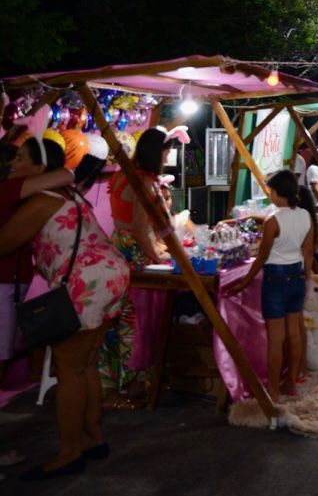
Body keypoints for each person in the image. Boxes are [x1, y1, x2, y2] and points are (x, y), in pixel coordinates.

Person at [0, 137, 129, 480]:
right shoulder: (69, 194)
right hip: (111, 274)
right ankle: (92, 438)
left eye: (20, 159)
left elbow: (4, 243)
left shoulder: (41, 200)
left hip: (86, 281)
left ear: (40, 168)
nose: (12, 165)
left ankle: (69, 452)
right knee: (85, 365)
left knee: (68, 369)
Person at [99, 127, 176, 407]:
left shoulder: (123, 175)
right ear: (157, 152)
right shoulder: (142, 182)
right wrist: (158, 258)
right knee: (138, 321)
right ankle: (133, 384)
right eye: (166, 151)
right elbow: (140, 230)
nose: (168, 156)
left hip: (120, 249)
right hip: (135, 254)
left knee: (122, 319)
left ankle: (127, 382)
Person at [223, 170, 314, 402]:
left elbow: (261, 258)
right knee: (294, 335)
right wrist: (305, 276)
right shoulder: (305, 216)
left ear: (276, 193)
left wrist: (244, 282)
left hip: (275, 279)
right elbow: (308, 252)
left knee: (276, 338)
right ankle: (291, 384)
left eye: (270, 191)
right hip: (296, 276)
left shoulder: (274, 221)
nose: (269, 195)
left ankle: (273, 389)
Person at [0, 144, 76, 390]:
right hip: (5, 281)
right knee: (3, 350)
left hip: (13, 279)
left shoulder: (26, 194)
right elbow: (66, 174)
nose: (13, 164)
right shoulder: (8, 189)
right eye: (12, 159)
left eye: (18, 158)